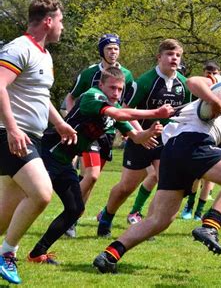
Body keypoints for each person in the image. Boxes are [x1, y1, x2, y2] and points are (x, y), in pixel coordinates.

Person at [92, 68, 221, 273]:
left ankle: (109, 255)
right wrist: (213, 100)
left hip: (174, 150)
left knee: (160, 219)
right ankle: (210, 226)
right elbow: (193, 82)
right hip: (192, 142)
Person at [26, 67, 174, 264]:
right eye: (112, 88)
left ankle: (37, 253)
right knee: (27, 198)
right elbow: (119, 115)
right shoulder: (92, 96)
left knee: (75, 208)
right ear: (101, 85)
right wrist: (156, 111)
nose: (116, 93)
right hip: (48, 154)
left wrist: (151, 131)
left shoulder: (115, 108)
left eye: (120, 90)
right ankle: (8, 249)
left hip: (63, 162)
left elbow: (137, 137)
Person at [0, 0, 77, 284]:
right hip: (11, 135)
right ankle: (8, 253)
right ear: (48, 21)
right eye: (60, 20)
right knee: (43, 193)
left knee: (4, 217)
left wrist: (59, 124)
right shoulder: (19, 48)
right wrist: (12, 129)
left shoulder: (44, 54)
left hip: (31, 137)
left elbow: (39, 98)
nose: (62, 27)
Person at [96, 39, 193, 237]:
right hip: (140, 139)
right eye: (169, 54)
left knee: (164, 180)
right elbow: (124, 110)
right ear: (159, 57)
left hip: (166, 142)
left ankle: (148, 226)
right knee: (126, 187)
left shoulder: (183, 84)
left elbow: (186, 113)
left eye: (177, 55)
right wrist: (141, 135)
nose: (173, 58)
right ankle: (106, 216)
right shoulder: (145, 81)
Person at [64, 33, 135, 238]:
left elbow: (125, 104)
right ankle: (69, 217)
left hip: (109, 131)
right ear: (101, 51)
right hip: (89, 131)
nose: (113, 52)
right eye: (109, 49)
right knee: (91, 175)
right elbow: (71, 96)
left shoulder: (127, 75)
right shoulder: (89, 74)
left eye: (116, 48)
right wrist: (71, 121)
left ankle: (72, 219)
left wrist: (129, 129)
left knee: (91, 179)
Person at [181, 60, 221, 220]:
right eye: (207, 73)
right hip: (198, 134)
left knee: (209, 177)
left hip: (217, 134)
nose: (211, 76)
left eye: (214, 73)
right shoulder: (196, 89)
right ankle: (189, 206)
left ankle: (199, 211)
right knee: (197, 175)